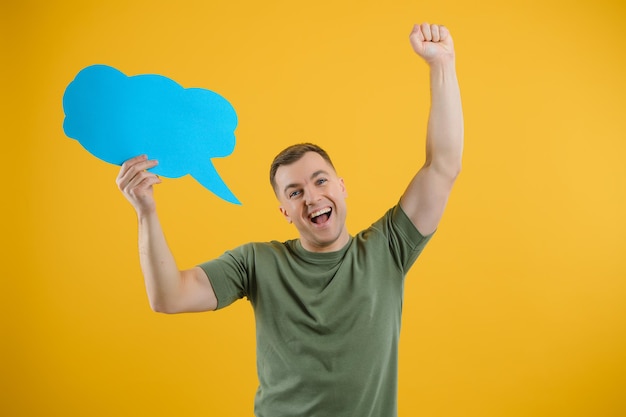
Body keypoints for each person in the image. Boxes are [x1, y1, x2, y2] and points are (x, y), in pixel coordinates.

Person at [116, 22, 463, 417]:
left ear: (341, 187)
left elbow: (443, 166)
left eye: (320, 182)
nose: (312, 198)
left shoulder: (388, 249)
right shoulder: (257, 263)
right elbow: (169, 296)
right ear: (284, 211)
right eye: (295, 192)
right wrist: (146, 210)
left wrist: (442, 65)